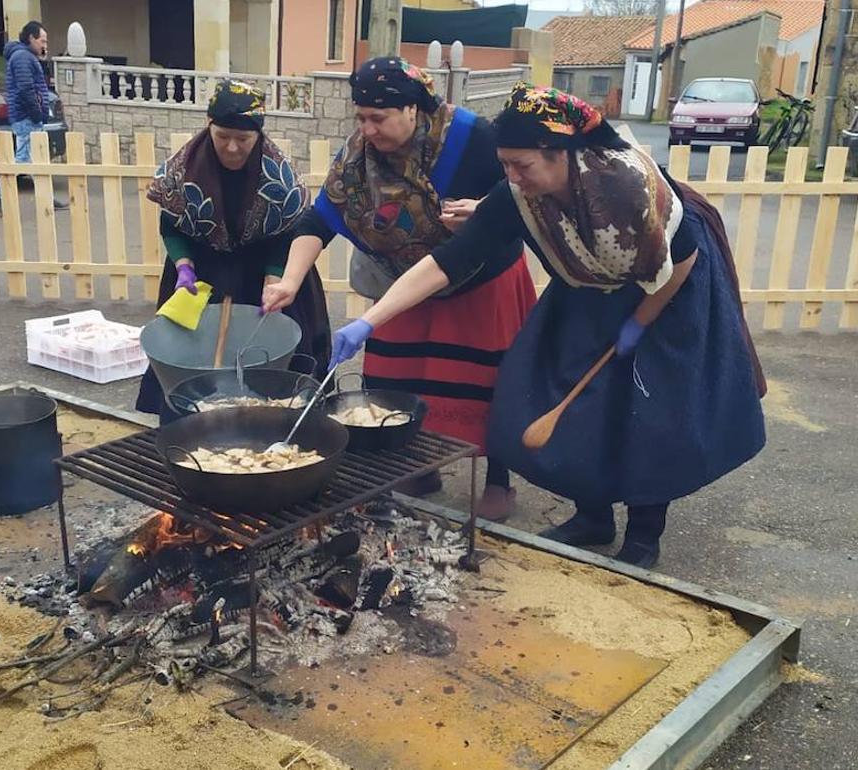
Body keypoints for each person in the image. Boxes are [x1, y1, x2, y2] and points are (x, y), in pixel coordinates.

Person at [327, 83, 766, 567]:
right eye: (505, 165)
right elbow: (450, 260)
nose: (512, 177)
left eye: (523, 165)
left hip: (663, 289)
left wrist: (638, 325)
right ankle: (593, 515)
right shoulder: (517, 194)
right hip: (586, 285)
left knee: (647, 410)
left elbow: (682, 258)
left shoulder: (624, 186)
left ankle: (644, 534)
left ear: (562, 155)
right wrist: (369, 321)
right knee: (568, 396)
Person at [263, 57, 535, 515]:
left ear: (413, 109)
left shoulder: (472, 138)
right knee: (397, 378)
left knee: (482, 380)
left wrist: (484, 208)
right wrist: (289, 280)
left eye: (378, 118)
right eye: (360, 117)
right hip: (401, 283)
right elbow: (321, 216)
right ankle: (417, 466)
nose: (367, 129)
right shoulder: (358, 155)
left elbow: (522, 193)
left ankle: (498, 477)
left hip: (479, 278)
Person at [135, 79, 331, 420]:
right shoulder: (183, 171)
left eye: (243, 139)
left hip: (269, 266)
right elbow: (172, 223)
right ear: (209, 126)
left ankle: (277, 425)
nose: (232, 147)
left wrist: (274, 277)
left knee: (274, 355)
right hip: (202, 269)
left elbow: (290, 232)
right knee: (192, 352)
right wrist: (183, 265)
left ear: (258, 136)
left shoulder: (280, 178)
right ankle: (188, 425)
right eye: (222, 136)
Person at [0, 21, 67, 214]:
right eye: (42, 40)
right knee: (23, 158)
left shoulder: (25, 56)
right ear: (31, 38)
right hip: (26, 116)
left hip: (25, 115)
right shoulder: (22, 57)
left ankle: (47, 197)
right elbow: (26, 88)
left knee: (35, 159)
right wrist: (37, 113)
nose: (44, 45)